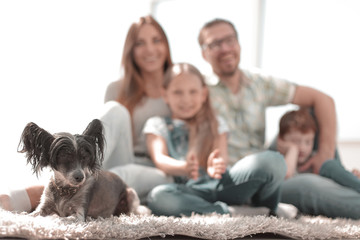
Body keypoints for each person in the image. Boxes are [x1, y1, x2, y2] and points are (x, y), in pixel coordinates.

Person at [0, 15, 174, 212]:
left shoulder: (182, 89)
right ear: (130, 50)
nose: (150, 49)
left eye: (156, 40)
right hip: (119, 159)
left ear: (167, 44)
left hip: (158, 169)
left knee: (114, 176)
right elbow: (104, 141)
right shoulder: (117, 89)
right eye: (140, 43)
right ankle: (71, 177)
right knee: (116, 111)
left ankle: (30, 196)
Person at [198, 18, 360, 219]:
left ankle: (332, 170)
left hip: (269, 160)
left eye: (229, 40)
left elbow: (324, 100)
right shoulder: (197, 90)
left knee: (312, 115)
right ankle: (345, 186)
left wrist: (324, 154)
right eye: (215, 44)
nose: (225, 48)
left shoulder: (258, 82)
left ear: (238, 44)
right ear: (204, 54)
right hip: (243, 179)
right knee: (309, 185)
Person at [145, 62, 297, 218]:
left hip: (223, 184)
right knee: (158, 197)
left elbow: (221, 156)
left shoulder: (215, 123)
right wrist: (184, 167)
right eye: (178, 92)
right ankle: (230, 212)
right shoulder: (157, 124)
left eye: (193, 92)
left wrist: (217, 165)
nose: (186, 99)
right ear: (165, 95)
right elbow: (160, 158)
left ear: (203, 94)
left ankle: (266, 207)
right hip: (191, 191)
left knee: (274, 160)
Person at [273, 108, 360, 193]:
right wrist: (292, 150)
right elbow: (286, 175)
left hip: (331, 190)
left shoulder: (314, 159)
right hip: (306, 193)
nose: (303, 148)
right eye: (296, 142)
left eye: (308, 142)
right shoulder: (279, 159)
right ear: (281, 140)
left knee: (330, 165)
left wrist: (351, 175)